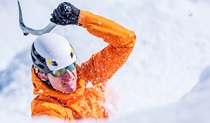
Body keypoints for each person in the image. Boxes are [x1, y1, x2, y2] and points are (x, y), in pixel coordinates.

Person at [30, 2, 136, 121]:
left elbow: (126, 41)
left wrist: (80, 18)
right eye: (59, 71)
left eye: (71, 66)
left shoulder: (90, 76)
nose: (69, 76)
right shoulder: (48, 109)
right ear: (43, 75)